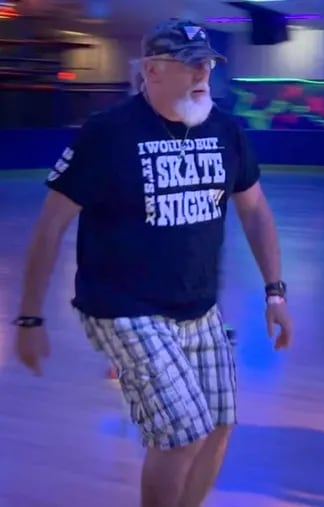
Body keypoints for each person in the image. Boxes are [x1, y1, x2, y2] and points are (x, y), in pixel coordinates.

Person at [13, 18, 293, 507]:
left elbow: (256, 213)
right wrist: (30, 317)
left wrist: (275, 291)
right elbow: (50, 226)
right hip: (122, 308)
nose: (202, 72)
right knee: (183, 432)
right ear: (152, 71)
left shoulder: (225, 131)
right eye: (189, 64)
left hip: (198, 308)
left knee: (220, 423)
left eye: (207, 63)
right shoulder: (108, 133)